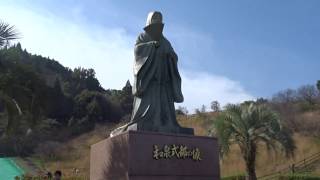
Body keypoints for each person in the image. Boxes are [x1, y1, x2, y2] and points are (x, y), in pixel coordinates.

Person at [110, 11, 193, 136]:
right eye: (155, 19)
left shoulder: (165, 42)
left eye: (159, 20)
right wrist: (151, 46)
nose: (157, 22)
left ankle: (166, 123)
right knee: (147, 109)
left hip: (164, 81)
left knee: (165, 109)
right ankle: (148, 121)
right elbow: (138, 50)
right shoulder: (143, 36)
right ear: (149, 21)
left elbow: (174, 56)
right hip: (149, 81)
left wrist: (170, 56)